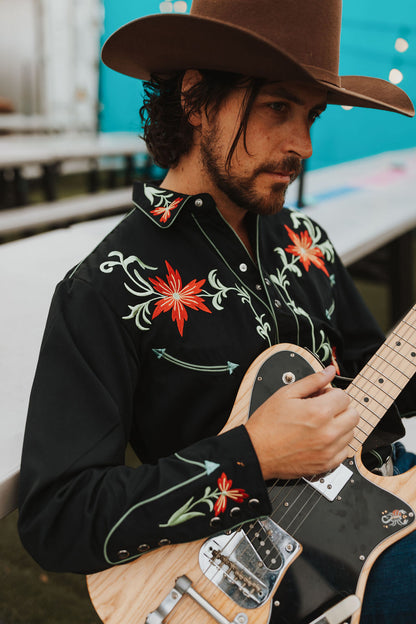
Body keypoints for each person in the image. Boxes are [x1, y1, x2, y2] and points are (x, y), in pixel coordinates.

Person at [18, 1, 416, 622]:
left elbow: (375, 385)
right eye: (278, 109)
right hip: (249, 576)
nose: (303, 145)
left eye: (310, 115)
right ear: (198, 100)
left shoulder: (305, 242)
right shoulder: (107, 287)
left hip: (377, 500)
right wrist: (253, 456)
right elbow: (58, 515)